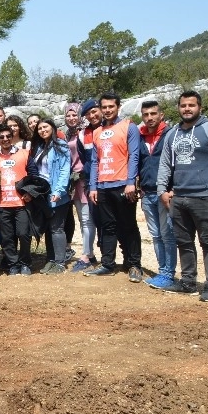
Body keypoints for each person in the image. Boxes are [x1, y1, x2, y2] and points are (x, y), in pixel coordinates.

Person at [157, 90, 208, 301]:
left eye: (191, 105)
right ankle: (188, 281)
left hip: (206, 197)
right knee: (183, 241)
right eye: (183, 105)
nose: (187, 109)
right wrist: (162, 190)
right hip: (180, 197)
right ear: (178, 108)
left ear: (199, 107)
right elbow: (165, 164)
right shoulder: (173, 134)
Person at [85, 92, 142, 281]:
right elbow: (94, 161)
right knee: (107, 227)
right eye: (104, 107)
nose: (107, 110)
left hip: (123, 185)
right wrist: (93, 186)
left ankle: (134, 264)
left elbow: (134, 156)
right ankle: (108, 263)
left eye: (111, 107)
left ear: (118, 107)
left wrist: (130, 182)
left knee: (128, 226)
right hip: (102, 187)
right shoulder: (97, 132)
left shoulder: (129, 127)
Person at [137, 100, 177, 289]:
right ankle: (163, 271)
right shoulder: (140, 137)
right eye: (146, 114)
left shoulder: (171, 135)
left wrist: (172, 190)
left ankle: (168, 274)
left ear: (161, 115)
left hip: (165, 194)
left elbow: (178, 165)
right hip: (147, 193)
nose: (150, 118)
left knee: (167, 234)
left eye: (153, 114)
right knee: (155, 235)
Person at [31, 119, 72, 274]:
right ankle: (51, 260)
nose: (42, 130)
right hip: (44, 194)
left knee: (57, 228)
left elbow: (64, 170)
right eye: (39, 128)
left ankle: (60, 263)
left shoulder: (61, 145)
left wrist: (59, 191)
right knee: (49, 228)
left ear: (53, 128)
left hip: (57, 193)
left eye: (45, 127)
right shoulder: (40, 147)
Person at [0, 126, 36, 275]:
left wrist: (30, 193)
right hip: (3, 204)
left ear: (12, 137)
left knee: (23, 234)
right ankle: (13, 264)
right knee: (6, 237)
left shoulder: (24, 154)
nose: (5, 139)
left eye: (8, 136)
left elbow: (33, 175)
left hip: (21, 203)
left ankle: (25, 263)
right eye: (2, 137)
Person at [63, 103, 95, 271]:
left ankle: (86, 255)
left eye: (74, 115)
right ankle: (89, 253)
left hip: (84, 179)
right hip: (73, 181)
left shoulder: (86, 132)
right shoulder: (68, 134)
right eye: (68, 115)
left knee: (86, 219)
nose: (71, 118)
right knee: (81, 218)